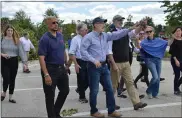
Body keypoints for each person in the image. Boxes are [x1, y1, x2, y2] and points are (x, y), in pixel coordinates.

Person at [80, 16, 136, 118]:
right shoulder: (89, 37)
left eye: (104, 23)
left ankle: (111, 111)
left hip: (104, 66)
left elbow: (117, 34)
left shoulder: (105, 35)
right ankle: (93, 111)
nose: (104, 25)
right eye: (102, 23)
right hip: (93, 67)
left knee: (110, 88)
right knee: (94, 90)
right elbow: (82, 51)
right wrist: (93, 60)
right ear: (95, 25)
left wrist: (130, 29)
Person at [108, 15, 147, 111]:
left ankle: (136, 103)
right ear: (113, 21)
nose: (120, 21)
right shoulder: (111, 33)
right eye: (118, 20)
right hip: (116, 63)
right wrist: (113, 64)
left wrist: (141, 25)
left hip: (125, 62)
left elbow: (134, 32)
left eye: (121, 20)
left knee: (130, 83)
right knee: (113, 85)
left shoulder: (125, 33)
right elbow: (108, 51)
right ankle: (111, 104)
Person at [38, 16, 70, 118]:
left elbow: (63, 50)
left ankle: (55, 112)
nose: (56, 24)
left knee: (65, 90)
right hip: (50, 69)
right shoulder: (44, 39)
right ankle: (52, 116)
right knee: (50, 96)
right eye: (53, 23)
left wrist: (66, 64)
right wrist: (46, 74)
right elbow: (41, 58)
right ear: (47, 25)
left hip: (61, 68)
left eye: (57, 22)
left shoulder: (60, 35)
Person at [140, 26, 168, 99]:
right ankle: (149, 91)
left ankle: (155, 93)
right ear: (145, 33)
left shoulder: (159, 40)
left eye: (150, 31)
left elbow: (167, 43)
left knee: (158, 78)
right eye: (147, 32)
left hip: (158, 60)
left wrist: (175, 37)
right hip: (149, 60)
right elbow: (139, 49)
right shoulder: (144, 42)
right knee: (155, 77)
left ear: (153, 32)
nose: (149, 33)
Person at [1, 24, 26, 103]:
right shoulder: (2, 39)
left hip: (14, 61)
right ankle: (4, 93)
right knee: (6, 78)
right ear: (5, 31)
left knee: (12, 79)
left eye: (11, 30)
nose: (10, 32)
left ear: (13, 31)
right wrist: (2, 54)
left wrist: (24, 63)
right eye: (8, 30)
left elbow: (21, 52)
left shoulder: (17, 40)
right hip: (4, 61)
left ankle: (11, 97)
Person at [68, 22, 89, 103]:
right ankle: (82, 97)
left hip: (88, 61)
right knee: (81, 79)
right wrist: (76, 64)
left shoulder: (87, 37)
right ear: (79, 30)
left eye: (87, 29)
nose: (87, 31)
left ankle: (80, 89)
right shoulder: (75, 39)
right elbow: (71, 53)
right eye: (85, 30)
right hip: (79, 61)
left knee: (89, 80)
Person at [169, 26, 182, 96]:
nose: (178, 32)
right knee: (177, 75)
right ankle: (175, 90)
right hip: (175, 60)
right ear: (175, 32)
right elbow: (172, 52)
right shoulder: (174, 40)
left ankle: (177, 87)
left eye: (179, 31)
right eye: (177, 31)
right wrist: (176, 60)